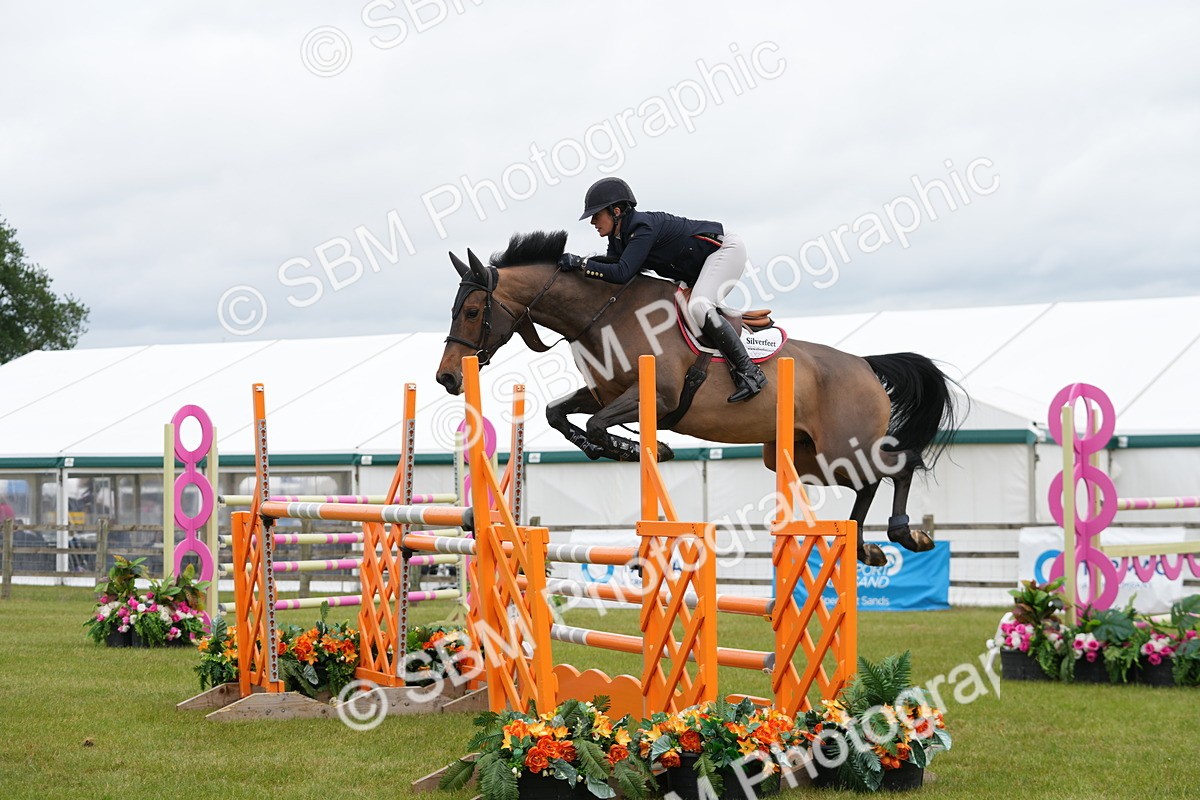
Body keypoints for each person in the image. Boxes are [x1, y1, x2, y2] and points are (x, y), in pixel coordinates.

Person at [558, 177, 767, 402]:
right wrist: (577, 268)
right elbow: (610, 269)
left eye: (596, 216)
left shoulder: (642, 227)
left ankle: (750, 372)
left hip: (725, 250)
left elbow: (622, 272)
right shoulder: (618, 238)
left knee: (698, 306)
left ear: (616, 211)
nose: (592, 222)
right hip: (695, 269)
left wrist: (581, 263)